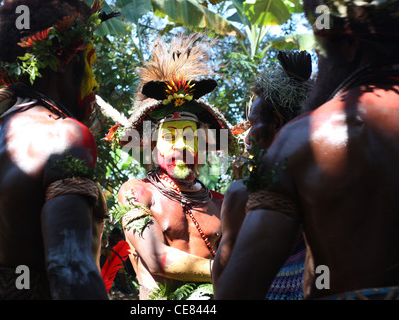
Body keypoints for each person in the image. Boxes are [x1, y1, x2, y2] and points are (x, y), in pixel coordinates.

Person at [215, 0, 399, 300]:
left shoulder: (304, 139)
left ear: (349, 44)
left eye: (321, 51)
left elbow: (236, 291)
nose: (319, 66)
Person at [0, 0, 119, 300]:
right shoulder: (63, 135)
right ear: (66, 62)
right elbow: (70, 269)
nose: (93, 82)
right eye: (89, 62)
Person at [102, 34, 235, 300]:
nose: (181, 146)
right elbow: (157, 259)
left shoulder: (221, 203)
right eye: (171, 136)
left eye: (190, 137)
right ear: (152, 144)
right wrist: (225, 272)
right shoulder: (137, 193)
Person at [213, 51, 313, 300]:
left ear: (277, 123)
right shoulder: (327, 185)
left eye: (251, 124)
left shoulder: (241, 194)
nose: (245, 138)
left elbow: (223, 282)